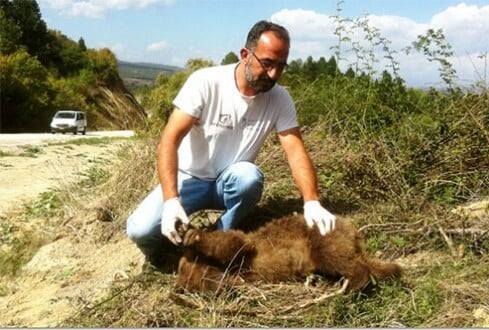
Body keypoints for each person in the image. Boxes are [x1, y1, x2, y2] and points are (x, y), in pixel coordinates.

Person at [126, 20, 337, 268]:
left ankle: (218, 237)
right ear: (245, 55)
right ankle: (161, 255)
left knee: (249, 177)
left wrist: (311, 201)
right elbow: (169, 141)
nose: (274, 75)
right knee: (140, 230)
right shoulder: (205, 82)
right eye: (267, 63)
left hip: (229, 181)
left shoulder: (280, 98)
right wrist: (171, 200)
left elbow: (295, 149)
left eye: (281, 66)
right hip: (189, 178)